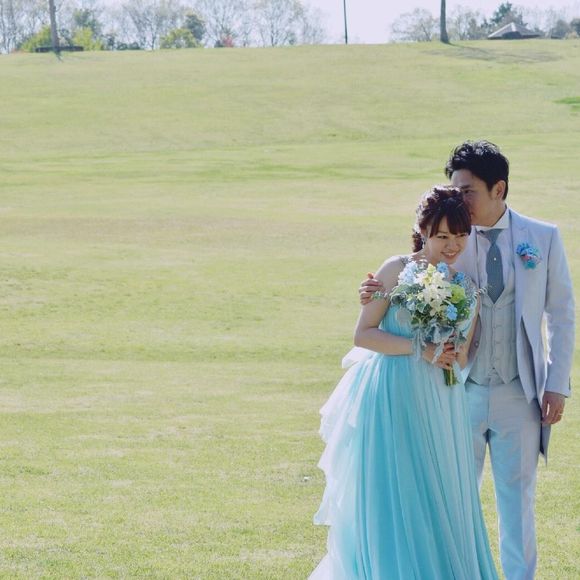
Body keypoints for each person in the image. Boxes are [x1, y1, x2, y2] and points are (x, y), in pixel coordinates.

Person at [359, 141, 575, 580]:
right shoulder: (453, 235)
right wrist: (372, 291)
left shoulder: (543, 237)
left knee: (518, 503)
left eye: (467, 190)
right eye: (455, 190)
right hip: (457, 390)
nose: (459, 199)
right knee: (453, 499)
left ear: (499, 189)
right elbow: (410, 273)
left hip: (520, 392)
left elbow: (562, 314)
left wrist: (556, 384)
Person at [311, 186, 498, 579]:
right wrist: (420, 348)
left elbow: (462, 355)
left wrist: (451, 352)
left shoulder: (466, 286)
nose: (452, 245)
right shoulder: (395, 270)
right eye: (442, 236)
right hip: (393, 393)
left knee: (439, 489)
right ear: (423, 231)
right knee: (398, 486)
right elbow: (364, 335)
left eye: (460, 235)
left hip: (442, 397)